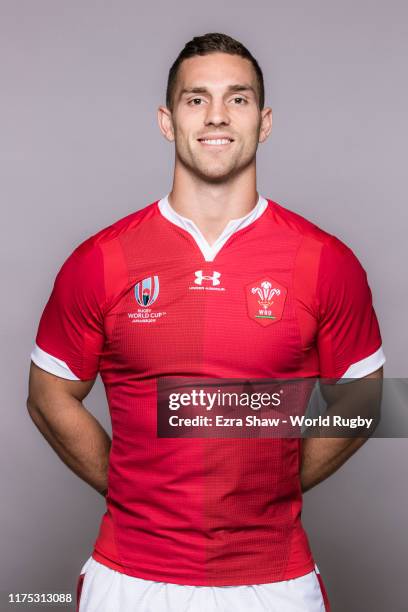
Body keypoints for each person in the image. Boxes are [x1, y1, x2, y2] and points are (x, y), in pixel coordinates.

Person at [27, 32, 385, 612]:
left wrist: (279, 483)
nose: (216, 115)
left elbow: (365, 399)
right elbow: (48, 395)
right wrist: (128, 486)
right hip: (130, 578)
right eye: (196, 99)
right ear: (167, 121)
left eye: (237, 99)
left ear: (264, 122)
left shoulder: (325, 261)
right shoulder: (101, 260)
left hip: (273, 580)